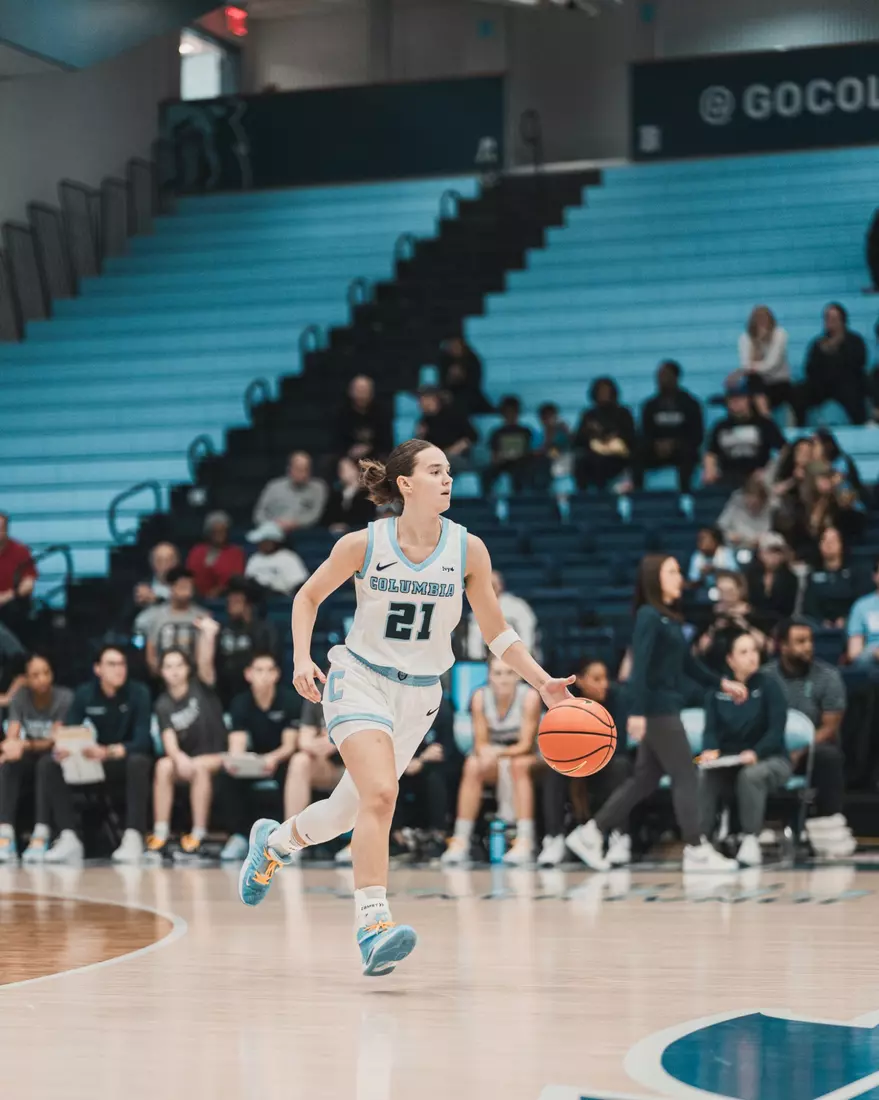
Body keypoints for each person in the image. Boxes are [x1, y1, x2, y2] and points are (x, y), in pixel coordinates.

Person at [235, 438, 575, 977]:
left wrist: (541, 683)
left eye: (449, 472)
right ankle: (373, 925)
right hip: (359, 680)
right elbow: (306, 597)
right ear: (406, 485)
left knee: (348, 812)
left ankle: (273, 842)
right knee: (382, 794)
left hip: (420, 696)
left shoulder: (468, 550)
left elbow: (496, 631)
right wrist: (301, 658)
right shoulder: (363, 544)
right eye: (436, 471)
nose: (448, 480)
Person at [565, 555, 748, 873]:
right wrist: (636, 713)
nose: (679, 577)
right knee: (685, 775)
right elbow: (640, 668)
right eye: (672, 572)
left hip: (662, 707)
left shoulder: (668, 618)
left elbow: (688, 665)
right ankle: (696, 848)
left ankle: (590, 833)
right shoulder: (649, 616)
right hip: (657, 710)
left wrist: (723, 683)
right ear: (655, 579)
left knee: (645, 780)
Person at [20, 646, 153, 865]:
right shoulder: (85, 694)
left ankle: (134, 836)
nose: (119, 670)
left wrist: (109, 751)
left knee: (139, 762)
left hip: (121, 760)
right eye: (111, 664)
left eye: (122, 664)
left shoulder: (139, 693)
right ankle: (69, 836)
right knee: (48, 763)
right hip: (90, 760)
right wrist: (64, 749)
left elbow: (142, 741)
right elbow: (70, 730)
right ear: (98, 669)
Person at [698, 632, 791, 866]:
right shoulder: (717, 691)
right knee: (705, 771)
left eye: (754, 651)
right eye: (744, 652)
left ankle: (751, 839)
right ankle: (701, 842)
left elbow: (776, 731)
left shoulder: (770, 685)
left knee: (751, 775)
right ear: (730, 659)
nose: (751, 657)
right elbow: (710, 730)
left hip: (770, 758)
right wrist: (710, 750)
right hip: (730, 760)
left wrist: (756, 753)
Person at [765, 618, 855, 858]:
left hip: (812, 750)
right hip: (772, 748)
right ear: (782, 646)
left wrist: (801, 749)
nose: (808, 647)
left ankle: (829, 825)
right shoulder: (765, 677)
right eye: (800, 641)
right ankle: (750, 829)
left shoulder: (828, 676)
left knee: (829, 755)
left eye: (810, 641)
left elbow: (830, 727)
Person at [442, 656, 542, 865]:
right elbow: (480, 744)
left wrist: (496, 754)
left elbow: (525, 745)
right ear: (489, 676)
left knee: (518, 765)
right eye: (497, 673)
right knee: (473, 764)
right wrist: (491, 755)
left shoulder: (530, 697)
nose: (503, 679)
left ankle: (525, 839)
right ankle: (461, 839)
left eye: (509, 673)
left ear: (518, 676)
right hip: (495, 758)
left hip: (527, 758)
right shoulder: (479, 697)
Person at [542, 658, 632, 868]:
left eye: (605, 678)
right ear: (580, 681)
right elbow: (555, 743)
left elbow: (621, 744)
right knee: (553, 769)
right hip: (576, 763)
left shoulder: (617, 698)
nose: (605, 684)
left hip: (606, 762)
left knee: (622, 765)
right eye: (597, 679)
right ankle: (554, 838)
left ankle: (619, 838)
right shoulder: (567, 700)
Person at [216, 652, 299, 862]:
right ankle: (239, 836)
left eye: (269, 670)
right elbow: (237, 743)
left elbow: (289, 745)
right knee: (226, 776)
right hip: (254, 761)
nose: (264, 675)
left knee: (293, 770)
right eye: (259, 670)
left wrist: (271, 759)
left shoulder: (288, 700)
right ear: (248, 674)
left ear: (277, 675)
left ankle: (288, 839)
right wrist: (238, 761)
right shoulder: (240, 703)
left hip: (281, 760)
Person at [148, 648, 227, 856]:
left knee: (199, 766)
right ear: (161, 672)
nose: (174, 671)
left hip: (216, 756)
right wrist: (178, 757)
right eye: (168, 666)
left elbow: (206, 660)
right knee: (163, 765)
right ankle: (161, 833)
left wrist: (208, 637)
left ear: (187, 669)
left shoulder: (202, 687)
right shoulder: (162, 704)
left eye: (179, 665)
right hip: (187, 760)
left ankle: (198, 834)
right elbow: (168, 738)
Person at [0, 654, 73, 862]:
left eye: (46, 673)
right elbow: (13, 733)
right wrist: (9, 747)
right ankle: (5, 834)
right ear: (26, 679)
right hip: (28, 752)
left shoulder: (64, 697)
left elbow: (54, 739)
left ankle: (41, 833)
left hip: (55, 754)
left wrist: (24, 744)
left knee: (45, 764)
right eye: (35, 675)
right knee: (8, 765)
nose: (42, 679)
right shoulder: (20, 698)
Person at [202, 576, 279, 705]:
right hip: (224, 691)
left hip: (254, 692)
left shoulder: (264, 630)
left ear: (248, 605)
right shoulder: (222, 629)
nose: (230, 604)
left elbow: (272, 660)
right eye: (229, 601)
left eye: (236, 601)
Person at [284, 698, 345, 857]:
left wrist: (336, 739)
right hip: (328, 765)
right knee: (300, 761)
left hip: (358, 763)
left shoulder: (365, 687)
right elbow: (305, 740)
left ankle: (358, 844)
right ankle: (290, 838)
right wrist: (324, 744)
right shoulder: (317, 691)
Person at [634, 360, 704, 493]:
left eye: (666, 375)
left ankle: (685, 494)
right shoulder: (650, 405)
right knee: (638, 452)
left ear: (676, 377)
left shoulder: (691, 404)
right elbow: (644, 433)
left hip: (681, 449)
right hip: (655, 449)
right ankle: (638, 493)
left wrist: (674, 444)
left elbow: (697, 435)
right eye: (659, 376)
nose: (661, 379)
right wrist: (656, 444)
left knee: (689, 453)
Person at [703, 381, 785, 488]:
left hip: (757, 476)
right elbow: (711, 452)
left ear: (748, 400)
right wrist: (710, 470)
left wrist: (770, 472)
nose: (735, 402)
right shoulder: (720, 427)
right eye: (731, 399)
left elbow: (784, 450)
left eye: (739, 399)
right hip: (728, 476)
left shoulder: (765, 424)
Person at [797, 303, 868, 426]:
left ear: (842, 320)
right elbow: (809, 368)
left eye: (834, 319)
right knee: (799, 391)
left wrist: (837, 349)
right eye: (827, 318)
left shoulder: (854, 341)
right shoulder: (818, 343)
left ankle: (861, 423)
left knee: (855, 388)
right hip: (822, 385)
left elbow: (859, 363)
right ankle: (800, 425)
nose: (830, 322)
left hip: (846, 383)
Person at [694, 571, 768, 671]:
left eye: (730, 591)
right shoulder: (709, 615)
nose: (725, 597)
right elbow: (698, 650)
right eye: (721, 591)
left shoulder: (753, 615)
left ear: (740, 590)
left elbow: (766, 646)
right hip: (715, 669)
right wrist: (714, 628)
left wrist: (746, 626)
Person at [144, 567, 210, 677]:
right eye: (181, 586)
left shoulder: (203, 617)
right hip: (163, 677)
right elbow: (151, 652)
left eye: (188, 586)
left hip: (194, 677)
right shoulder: (157, 617)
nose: (185, 589)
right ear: (171, 588)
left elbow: (206, 653)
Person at [574, 377, 636, 491]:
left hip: (618, 456)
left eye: (606, 391)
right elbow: (578, 440)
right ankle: (583, 498)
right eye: (600, 391)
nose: (603, 394)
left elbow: (630, 437)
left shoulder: (623, 413)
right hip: (594, 455)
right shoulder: (589, 415)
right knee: (583, 461)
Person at [464, 570, 538, 659]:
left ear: (500, 586)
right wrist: (477, 663)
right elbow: (474, 643)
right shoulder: (477, 609)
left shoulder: (518, 606)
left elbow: (527, 634)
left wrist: (523, 657)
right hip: (489, 657)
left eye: (493, 585)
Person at [252, 451, 329, 534]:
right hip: (272, 533)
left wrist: (295, 523)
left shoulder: (319, 487)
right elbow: (259, 514)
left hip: (305, 534)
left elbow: (315, 515)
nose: (302, 474)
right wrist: (274, 524)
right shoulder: (273, 486)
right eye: (298, 469)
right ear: (289, 469)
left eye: (306, 469)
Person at [737, 305, 792, 415]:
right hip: (757, 383)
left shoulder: (780, 334)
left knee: (755, 386)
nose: (761, 322)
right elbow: (745, 365)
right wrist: (757, 343)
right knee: (753, 384)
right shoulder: (745, 338)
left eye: (764, 318)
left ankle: (766, 419)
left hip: (778, 382)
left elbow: (771, 365)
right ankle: (765, 417)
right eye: (758, 319)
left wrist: (752, 367)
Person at [803, 528, 862, 629]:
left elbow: (859, 601)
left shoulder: (854, 574)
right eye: (824, 540)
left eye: (833, 540)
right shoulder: (812, 575)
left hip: (849, 623)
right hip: (818, 624)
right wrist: (822, 621)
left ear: (841, 545)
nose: (829, 544)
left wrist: (845, 618)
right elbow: (809, 605)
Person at [185, 512, 245, 599]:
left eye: (222, 531)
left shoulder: (236, 552)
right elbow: (189, 574)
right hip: (196, 598)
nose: (219, 535)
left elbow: (236, 579)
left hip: (224, 599)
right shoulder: (196, 551)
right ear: (208, 532)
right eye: (215, 531)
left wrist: (219, 590)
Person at [743, 532, 798, 627]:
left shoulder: (791, 578)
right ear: (760, 554)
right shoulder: (750, 575)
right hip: (752, 621)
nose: (773, 557)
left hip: (780, 622)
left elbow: (788, 609)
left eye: (778, 553)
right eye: (770, 552)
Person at [415, 386, 477, 469]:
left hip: (456, 458)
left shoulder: (454, 413)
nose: (419, 403)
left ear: (433, 399)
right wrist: (420, 436)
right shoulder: (425, 421)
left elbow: (472, 436)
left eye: (422, 399)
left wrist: (453, 450)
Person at [483, 395, 534, 494]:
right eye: (507, 412)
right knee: (487, 474)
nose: (510, 415)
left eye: (513, 412)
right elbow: (494, 455)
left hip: (521, 463)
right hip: (501, 463)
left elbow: (527, 451)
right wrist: (499, 457)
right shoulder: (497, 432)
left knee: (523, 472)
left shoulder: (525, 431)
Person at [244, 522, 309, 597]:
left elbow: (299, 584)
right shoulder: (254, 559)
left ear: (274, 541)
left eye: (265, 541)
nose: (262, 544)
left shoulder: (289, 557)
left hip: (281, 600)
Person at [336, 375, 392, 462]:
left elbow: (386, 444)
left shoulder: (382, 413)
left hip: (375, 457)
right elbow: (336, 443)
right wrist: (347, 455)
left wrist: (369, 448)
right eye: (358, 390)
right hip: (348, 458)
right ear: (350, 391)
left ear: (372, 392)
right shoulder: (342, 414)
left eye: (365, 390)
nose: (361, 394)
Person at [0, 513, 37, 638]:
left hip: (11, 606)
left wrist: (8, 596)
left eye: (1, 528)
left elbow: (29, 583)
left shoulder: (20, 551)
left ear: (6, 529)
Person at [717, 473, 776, 550]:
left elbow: (769, 533)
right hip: (733, 548)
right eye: (748, 503)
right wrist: (729, 535)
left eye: (755, 504)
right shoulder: (735, 504)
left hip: (759, 550)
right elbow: (720, 527)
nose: (751, 506)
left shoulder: (769, 509)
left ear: (762, 501)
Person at [436, 336, 491, 414]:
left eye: (456, 345)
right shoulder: (444, 360)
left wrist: (461, 376)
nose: (454, 348)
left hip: (469, 395)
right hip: (450, 394)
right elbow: (442, 383)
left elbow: (474, 384)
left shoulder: (472, 360)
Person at [131, 541, 180, 628]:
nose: (164, 565)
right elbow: (124, 619)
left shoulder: (185, 585)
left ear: (176, 562)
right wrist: (138, 604)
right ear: (152, 563)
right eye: (159, 560)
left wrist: (157, 600)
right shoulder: (141, 585)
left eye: (168, 560)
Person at [320, 456, 375, 533]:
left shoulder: (366, 494)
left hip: (359, 534)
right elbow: (326, 518)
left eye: (348, 468)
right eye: (341, 469)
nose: (344, 472)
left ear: (356, 469)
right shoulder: (336, 495)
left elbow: (366, 517)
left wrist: (348, 527)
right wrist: (333, 525)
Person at [846, 557, 879, 668]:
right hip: (872, 667)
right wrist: (874, 654)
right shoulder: (861, 606)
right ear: (875, 576)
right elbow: (854, 654)